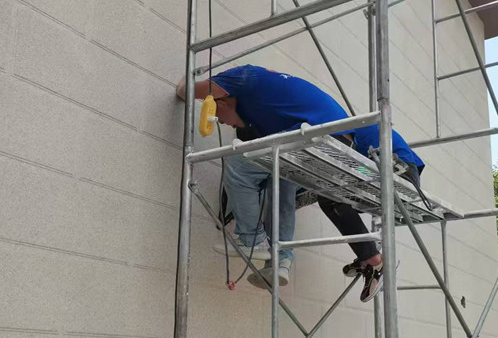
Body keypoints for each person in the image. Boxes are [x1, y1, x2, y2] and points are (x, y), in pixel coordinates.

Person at [176, 65, 424, 302]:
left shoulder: (245, 78)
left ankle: (254, 240)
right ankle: (286, 260)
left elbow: (186, 91)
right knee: (292, 181)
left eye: (219, 117)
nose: (222, 122)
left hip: (390, 165)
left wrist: (185, 85)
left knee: (242, 166)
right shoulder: (275, 111)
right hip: (347, 153)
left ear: (220, 101)